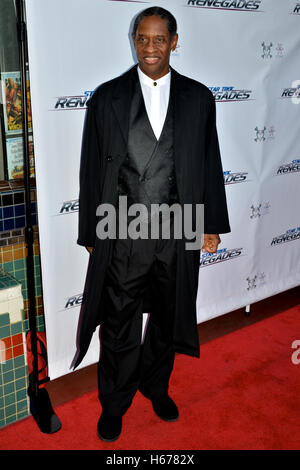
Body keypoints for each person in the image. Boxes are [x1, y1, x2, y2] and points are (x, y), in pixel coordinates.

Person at [74, 6, 231, 442]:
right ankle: (115, 402)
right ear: (134, 40)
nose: (150, 47)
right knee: (119, 320)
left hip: (180, 225)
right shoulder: (108, 97)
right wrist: (92, 230)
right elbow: (91, 168)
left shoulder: (199, 98)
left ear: (175, 42)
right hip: (123, 227)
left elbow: (208, 163)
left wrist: (210, 223)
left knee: (169, 315)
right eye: (142, 38)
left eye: (159, 39)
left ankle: (155, 385)